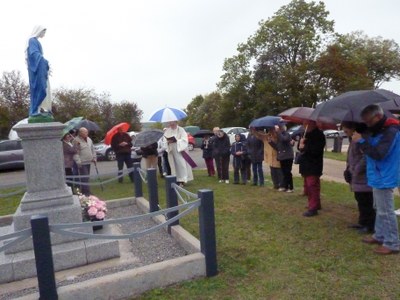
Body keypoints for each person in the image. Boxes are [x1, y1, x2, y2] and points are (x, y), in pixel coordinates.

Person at [352, 104, 400, 255]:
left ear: (378, 117)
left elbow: (379, 154)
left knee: (386, 210)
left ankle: (392, 242)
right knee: (379, 208)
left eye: (369, 121)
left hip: (385, 175)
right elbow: (372, 147)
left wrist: (361, 141)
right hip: (377, 174)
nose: (367, 124)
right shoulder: (378, 130)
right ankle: (379, 235)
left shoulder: (391, 131)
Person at [342, 121, 375, 234]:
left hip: (363, 177)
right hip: (356, 177)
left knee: (366, 201)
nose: (344, 131)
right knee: (360, 200)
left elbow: (365, 157)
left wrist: (355, 170)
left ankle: (369, 225)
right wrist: (348, 169)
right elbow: (351, 157)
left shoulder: (361, 139)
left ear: (352, 128)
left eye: (345, 129)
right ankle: (362, 221)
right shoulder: (353, 139)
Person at [298, 120, 326, 217]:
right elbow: (300, 148)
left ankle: (313, 208)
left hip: (314, 164)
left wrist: (304, 146)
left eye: (306, 124)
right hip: (306, 164)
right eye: (303, 123)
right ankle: (316, 204)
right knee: (311, 185)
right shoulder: (304, 134)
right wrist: (300, 145)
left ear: (313, 124)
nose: (304, 125)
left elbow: (316, 151)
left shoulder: (319, 135)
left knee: (312, 186)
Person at [26, 26, 51, 116]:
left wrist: (45, 63)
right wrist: (43, 60)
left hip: (40, 67)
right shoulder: (32, 40)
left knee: (43, 89)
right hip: (36, 69)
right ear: (39, 31)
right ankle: (34, 111)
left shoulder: (36, 41)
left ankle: (37, 109)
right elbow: (34, 53)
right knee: (39, 89)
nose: (44, 34)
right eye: (43, 31)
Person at [164, 121, 194, 185]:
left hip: (180, 151)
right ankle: (175, 179)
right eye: (170, 123)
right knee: (173, 166)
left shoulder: (181, 130)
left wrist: (177, 141)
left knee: (181, 165)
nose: (171, 124)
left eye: (172, 123)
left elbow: (185, 140)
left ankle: (182, 180)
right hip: (171, 151)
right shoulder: (168, 131)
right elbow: (164, 141)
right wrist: (168, 142)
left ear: (175, 122)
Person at [269, 124, 294, 192]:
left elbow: (284, 139)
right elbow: (278, 147)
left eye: (279, 128)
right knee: (283, 172)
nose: (278, 129)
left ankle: (290, 187)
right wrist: (271, 142)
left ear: (283, 128)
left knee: (287, 172)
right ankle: (285, 186)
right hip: (282, 157)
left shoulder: (287, 134)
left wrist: (278, 132)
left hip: (288, 156)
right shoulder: (279, 136)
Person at [73, 127, 97, 196]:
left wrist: (94, 157)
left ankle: (85, 191)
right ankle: (87, 192)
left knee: (86, 177)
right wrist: (78, 161)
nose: (87, 133)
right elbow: (75, 152)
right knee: (84, 177)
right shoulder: (76, 140)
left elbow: (92, 149)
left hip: (89, 161)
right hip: (82, 162)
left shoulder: (89, 139)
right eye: (85, 132)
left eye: (87, 132)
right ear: (80, 133)